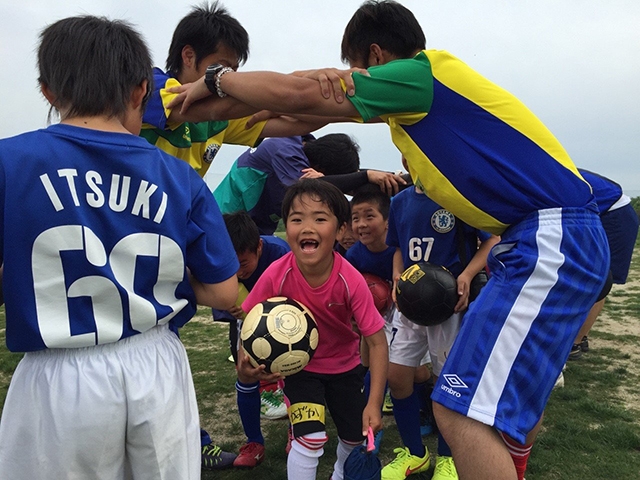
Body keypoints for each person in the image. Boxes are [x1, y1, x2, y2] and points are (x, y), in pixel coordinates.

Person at [168, 2, 610, 479]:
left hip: (548, 238)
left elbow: (304, 94)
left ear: (376, 56)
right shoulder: (416, 105)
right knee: (507, 413)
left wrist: (216, 79)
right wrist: (196, 102)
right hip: (546, 240)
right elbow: (299, 98)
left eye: (358, 69)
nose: (353, 79)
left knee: (461, 411)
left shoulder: (421, 76)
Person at [0, 16, 239, 480]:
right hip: (155, 364)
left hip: (57, 373)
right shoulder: (179, 175)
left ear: (48, 91)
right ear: (139, 92)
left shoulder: (10, 162)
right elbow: (225, 293)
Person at [241, 179, 389, 480]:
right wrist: (246, 361)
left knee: (353, 438)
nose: (307, 227)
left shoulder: (351, 280)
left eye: (320, 218)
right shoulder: (277, 274)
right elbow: (249, 322)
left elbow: (377, 343)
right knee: (309, 439)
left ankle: (339, 474)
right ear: (288, 228)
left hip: (345, 369)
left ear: (340, 231)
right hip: (298, 369)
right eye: (297, 219)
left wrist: (374, 404)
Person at [384, 180, 499, 480]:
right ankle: (415, 454)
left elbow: (490, 241)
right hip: (409, 303)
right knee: (396, 377)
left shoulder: (459, 195)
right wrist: (396, 276)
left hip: (448, 305)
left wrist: (468, 274)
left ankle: (448, 458)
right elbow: (398, 248)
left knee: (444, 382)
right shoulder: (400, 201)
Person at [214, 133, 406, 234]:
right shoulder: (285, 150)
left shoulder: (309, 148)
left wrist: (391, 178)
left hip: (258, 226)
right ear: (319, 167)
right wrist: (366, 176)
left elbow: (345, 180)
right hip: (225, 220)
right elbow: (317, 187)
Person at [216, 211, 290, 467]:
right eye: (231, 265)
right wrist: (230, 306)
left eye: (243, 263)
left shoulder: (280, 253)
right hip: (245, 321)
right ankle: (254, 441)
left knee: (292, 371)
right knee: (245, 371)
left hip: (284, 318)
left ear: (258, 246)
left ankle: (297, 431)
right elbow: (219, 295)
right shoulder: (220, 259)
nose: (237, 272)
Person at [568, 169, 640, 359]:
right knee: (588, 279)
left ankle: (575, 342)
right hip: (601, 213)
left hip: (614, 214)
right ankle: (578, 336)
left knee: (600, 281)